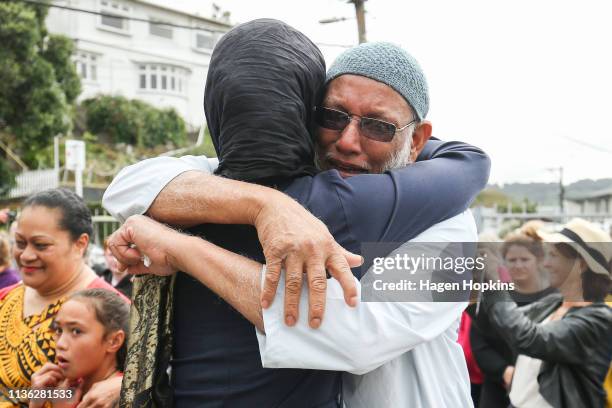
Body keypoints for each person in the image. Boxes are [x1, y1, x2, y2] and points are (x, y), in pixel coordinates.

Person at [105, 20, 490, 407]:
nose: (347, 141)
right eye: (333, 116)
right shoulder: (267, 183)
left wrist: (181, 250)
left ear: (417, 140)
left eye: (377, 126)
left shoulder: (452, 227)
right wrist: (268, 206)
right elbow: (132, 185)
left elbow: (356, 337)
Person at [0, 188, 128, 408]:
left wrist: (124, 384)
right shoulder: (5, 298)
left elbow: (153, 377)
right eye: (20, 243)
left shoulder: (112, 310)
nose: (26, 255)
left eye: (41, 245)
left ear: (80, 244)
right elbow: (27, 395)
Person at [481, 218, 612, 408]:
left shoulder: (599, 320)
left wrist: (493, 280)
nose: (546, 264)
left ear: (581, 265)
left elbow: (527, 337)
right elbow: (497, 324)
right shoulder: (554, 303)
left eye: (554, 256)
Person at [471, 222, 558, 407]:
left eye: (524, 259)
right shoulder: (495, 296)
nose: (518, 265)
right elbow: (479, 342)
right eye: (512, 260)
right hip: (497, 388)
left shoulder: (554, 297)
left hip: (538, 389)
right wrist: (503, 370)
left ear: (538, 260)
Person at [29, 288, 129, 408]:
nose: (60, 343)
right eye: (58, 330)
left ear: (114, 341)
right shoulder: (69, 391)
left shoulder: (124, 398)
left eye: (76, 331)